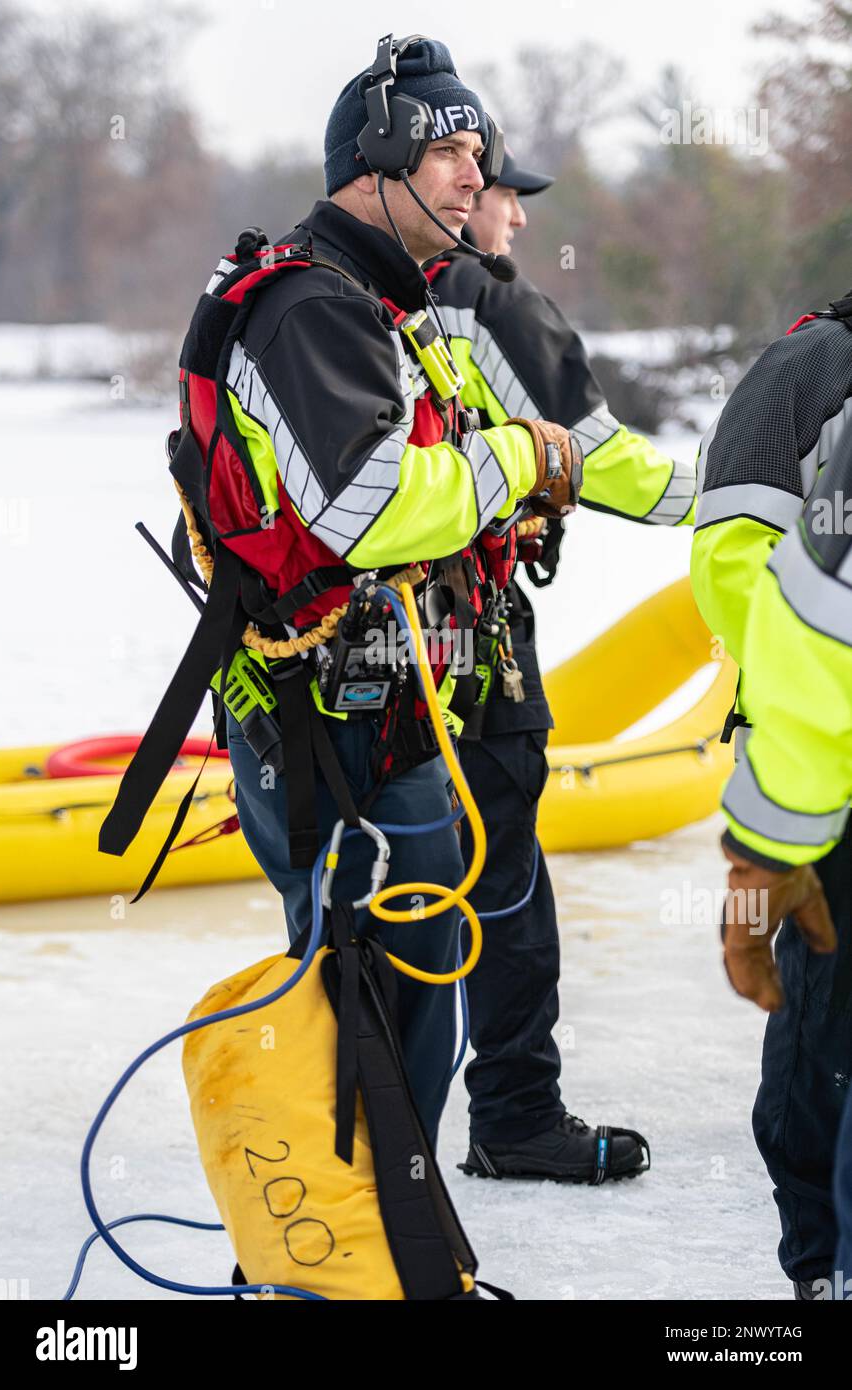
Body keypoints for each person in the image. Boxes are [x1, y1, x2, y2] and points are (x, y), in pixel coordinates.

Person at [208, 37, 579, 1151]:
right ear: (373, 163)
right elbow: (367, 505)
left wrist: (498, 501)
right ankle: (336, 1255)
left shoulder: (386, 308)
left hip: (386, 712)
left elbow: (420, 482)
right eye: (454, 150)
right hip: (326, 723)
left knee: (409, 994)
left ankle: (384, 1239)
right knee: (363, 1000)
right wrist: (515, 459)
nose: (479, 175)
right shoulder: (310, 308)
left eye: (479, 151)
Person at [426, 147, 696, 1182]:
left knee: (378, 887)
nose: (516, 221)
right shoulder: (478, 293)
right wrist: (752, 480)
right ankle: (515, 1113)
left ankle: (353, 1144)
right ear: (445, 187)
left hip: (335, 657)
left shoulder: (340, 292)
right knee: (503, 882)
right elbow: (606, 461)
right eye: (505, 196)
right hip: (460, 648)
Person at [691, 290, 852, 1294]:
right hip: (821, 753)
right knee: (825, 1011)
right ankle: (817, 1258)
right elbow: (730, 566)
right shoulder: (807, 370)